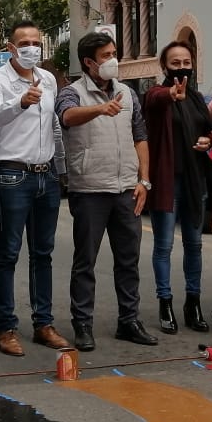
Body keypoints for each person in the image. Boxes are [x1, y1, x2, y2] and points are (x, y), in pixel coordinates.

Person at [57, 32, 155, 351]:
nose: (113, 60)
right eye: (105, 55)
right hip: (89, 190)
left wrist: (144, 181)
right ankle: (82, 323)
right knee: (85, 260)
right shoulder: (72, 92)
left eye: (114, 53)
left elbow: (140, 136)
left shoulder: (127, 93)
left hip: (126, 188)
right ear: (88, 62)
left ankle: (129, 320)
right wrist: (99, 110)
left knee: (128, 260)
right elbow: (67, 117)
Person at [0, 21, 69, 356]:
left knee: (42, 253)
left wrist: (62, 170)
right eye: (24, 42)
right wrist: (20, 102)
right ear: (11, 47)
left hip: (46, 175)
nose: (32, 48)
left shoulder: (47, 79)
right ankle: (7, 329)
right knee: (8, 253)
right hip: (12, 175)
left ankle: (43, 323)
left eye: (36, 41)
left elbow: (55, 128)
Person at [145, 40, 212, 334]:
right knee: (164, 245)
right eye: (176, 63)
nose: (183, 68)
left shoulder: (198, 99)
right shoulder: (155, 94)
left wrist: (207, 141)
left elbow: (208, 130)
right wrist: (170, 95)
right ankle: (165, 303)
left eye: (187, 62)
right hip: (167, 182)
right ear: (164, 67)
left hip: (194, 179)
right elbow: (155, 101)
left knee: (195, 245)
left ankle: (193, 302)